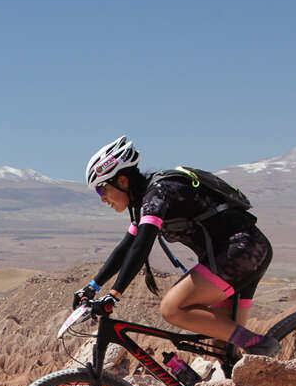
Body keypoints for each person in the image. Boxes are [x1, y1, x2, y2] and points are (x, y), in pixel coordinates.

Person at [74, 135, 280, 357]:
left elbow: (141, 246)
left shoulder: (159, 193)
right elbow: (126, 248)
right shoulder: (144, 201)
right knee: (224, 350)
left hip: (242, 250)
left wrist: (114, 294)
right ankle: (255, 377)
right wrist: (92, 287)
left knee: (172, 308)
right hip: (243, 252)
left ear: (122, 181)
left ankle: (262, 346)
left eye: (101, 190)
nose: (102, 198)